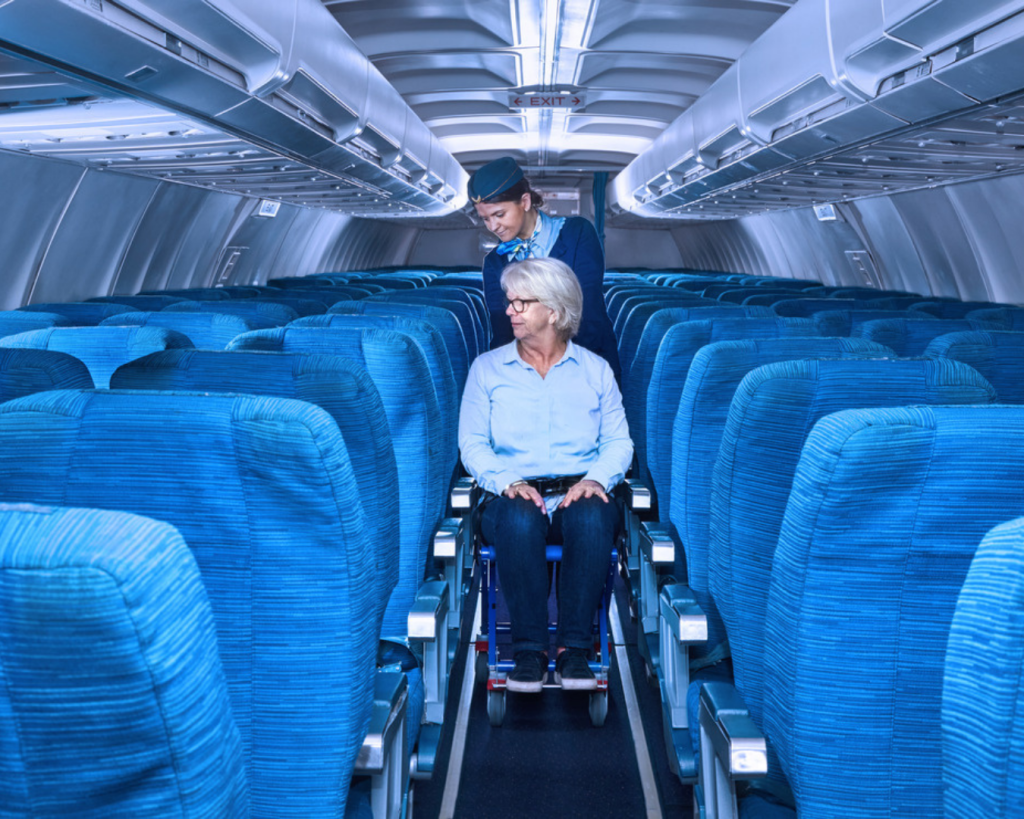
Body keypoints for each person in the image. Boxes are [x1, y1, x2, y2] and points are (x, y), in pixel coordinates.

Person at [458, 257, 633, 692]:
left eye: (521, 302)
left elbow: (619, 443)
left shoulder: (595, 371)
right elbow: (473, 445)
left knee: (593, 514)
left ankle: (575, 651)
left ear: (553, 311)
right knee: (518, 516)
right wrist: (506, 482)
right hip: (509, 493)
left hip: (578, 489)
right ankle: (529, 652)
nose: (510, 310)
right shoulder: (487, 370)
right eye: (509, 301)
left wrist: (595, 480)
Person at [468, 156, 622, 382]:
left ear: (526, 201)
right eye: (485, 219)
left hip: (588, 370)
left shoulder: (577, 234)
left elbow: (586, 315)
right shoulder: (495, 262)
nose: (493, 227)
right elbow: (503, 331)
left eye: (499, 214)